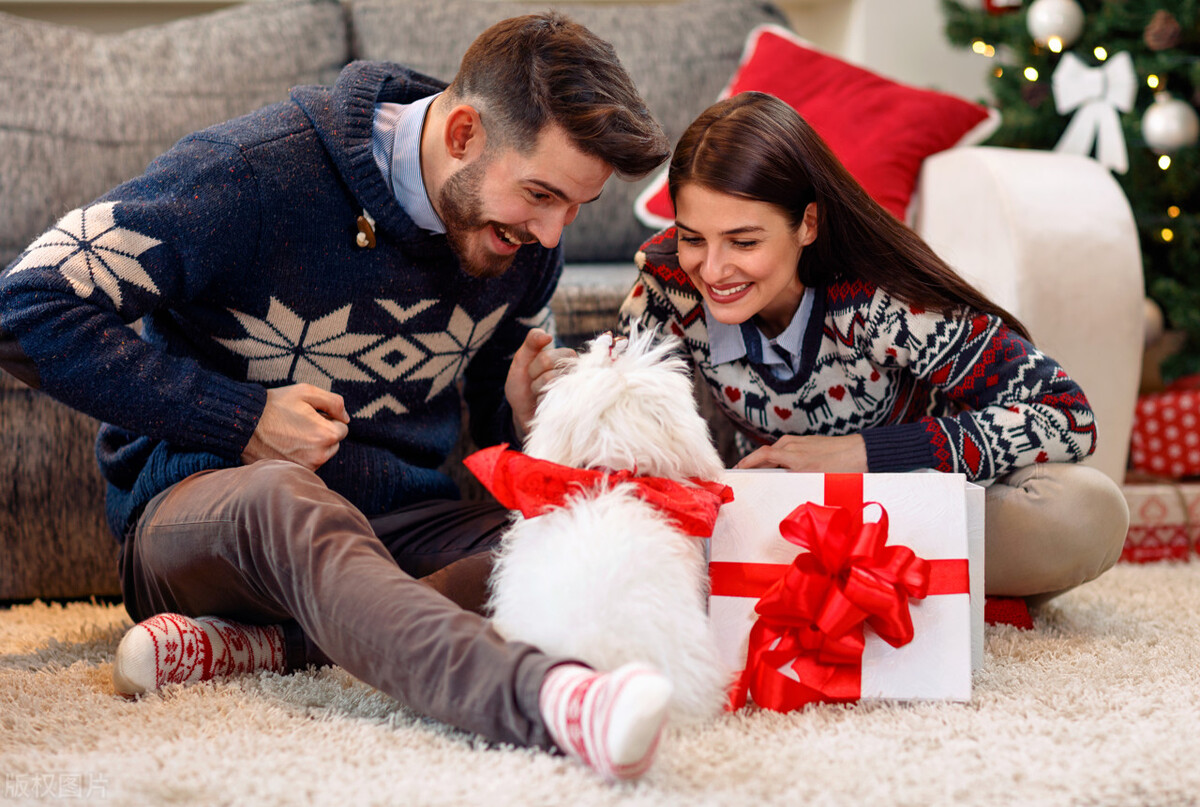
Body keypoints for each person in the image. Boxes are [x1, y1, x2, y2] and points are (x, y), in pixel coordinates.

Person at [0, 13, 677, 782]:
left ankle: (274, 646)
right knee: (286, 497)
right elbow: (25, 304)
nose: (554, 235)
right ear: (462, 134)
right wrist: (244, 420)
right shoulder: (252, 174)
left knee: (588, 538)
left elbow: (496, 442)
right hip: (211, 515)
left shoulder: (520, 252)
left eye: (575, 209)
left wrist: (532, 425)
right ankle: (548, 701)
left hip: (398, 525)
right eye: (541, 195)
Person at [619, 91, 1128, 605]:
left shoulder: (883, 300)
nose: (712, 269)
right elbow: (618, 420)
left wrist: (864, 455)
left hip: (909, 512)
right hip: (772, 522)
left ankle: (863, 589)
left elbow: (1069, 418)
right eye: (693, 238)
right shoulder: (667, 279)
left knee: (1087, 509)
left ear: (808, 225)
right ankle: (899, 594)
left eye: (744, 242)